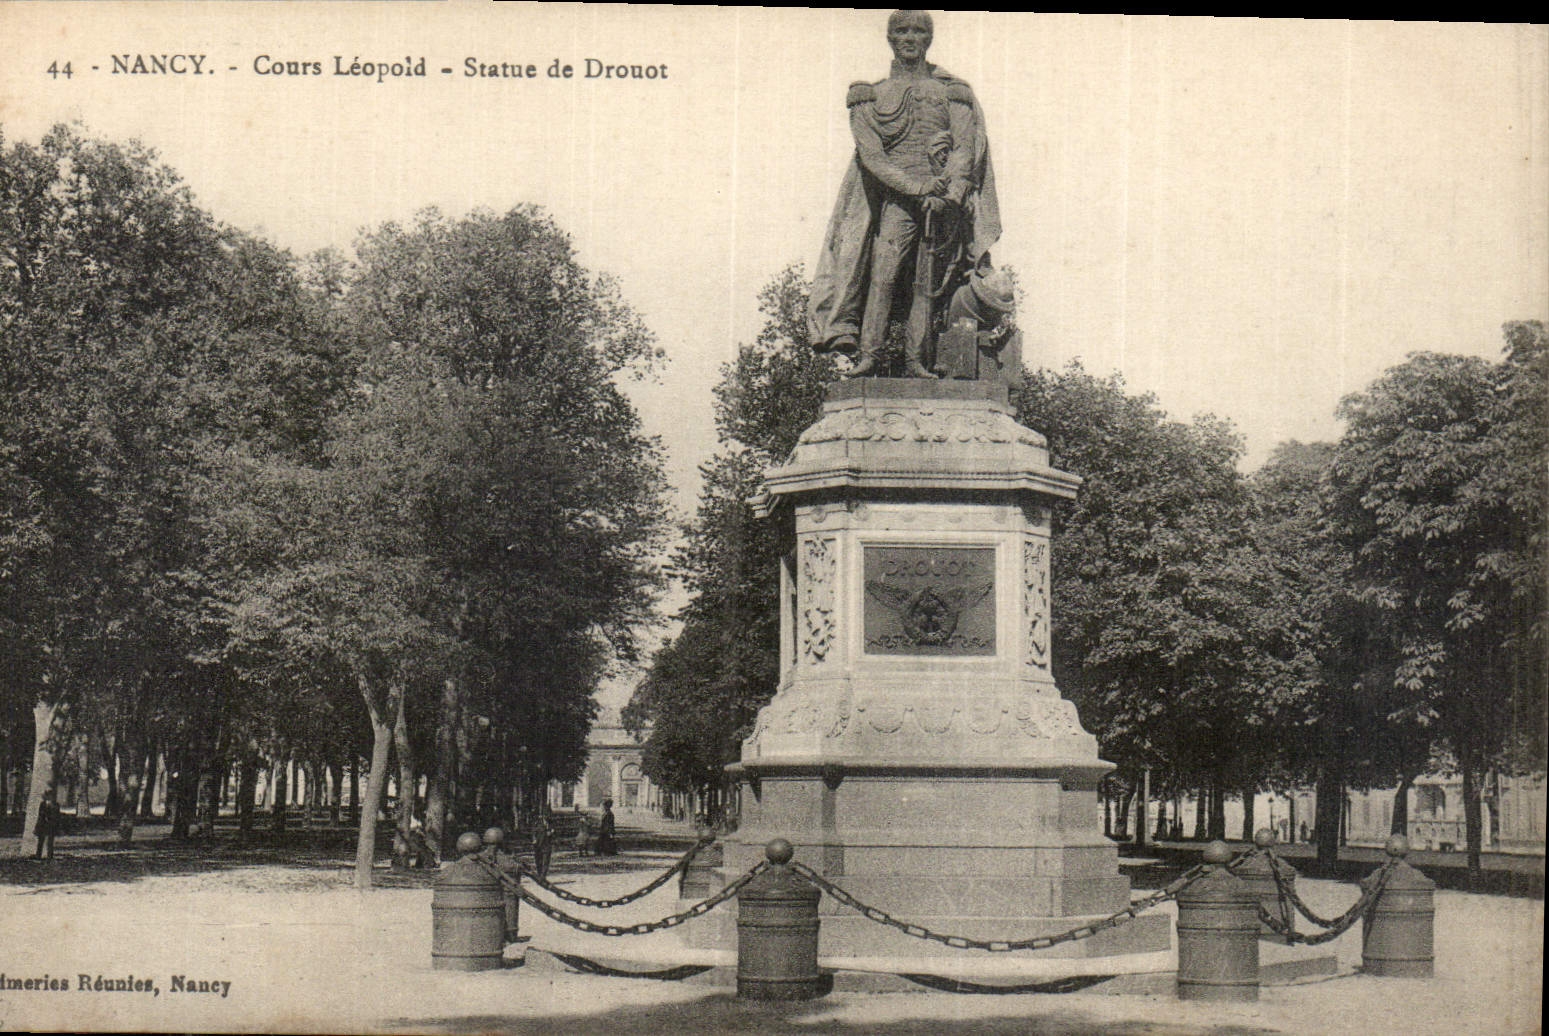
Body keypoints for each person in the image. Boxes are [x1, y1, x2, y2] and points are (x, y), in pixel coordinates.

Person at [809, 9, 1001, 379]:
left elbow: (964, 149)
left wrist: (947, 195)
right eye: (902, 31)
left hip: (941, 203)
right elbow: (873, 158)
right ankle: (869, 356)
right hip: (896, 204)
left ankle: (917, 361)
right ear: (890, 38)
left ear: (929, 38)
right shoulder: (869, 95)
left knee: (926, 286)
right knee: (882, 277)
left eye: (918, 31)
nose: (910, 38)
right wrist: (918, 188)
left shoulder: (954, 92)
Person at [34, 789, 61, 861]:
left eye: (51, 796)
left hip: (51, 825)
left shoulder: (56, 805)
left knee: (50, 842)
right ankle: (38, 856)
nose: (49, 797)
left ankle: (49, 856)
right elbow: (40, 815)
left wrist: (55, 824)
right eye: (48, 796)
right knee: (40, 841)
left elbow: (57, 816)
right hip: (42, 825)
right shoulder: (42, 804)